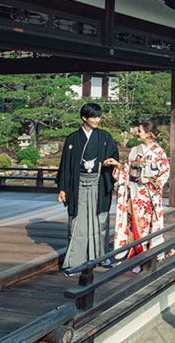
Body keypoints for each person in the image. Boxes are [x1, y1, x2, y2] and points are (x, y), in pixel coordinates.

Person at [56, 103, 120, 273]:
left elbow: (114, 155)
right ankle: (75, 261)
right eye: (94, 117)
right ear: (84, 118)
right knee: (77, 222)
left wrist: (111, 162)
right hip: (77, 185)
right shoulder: (72, 139)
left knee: (100, 221)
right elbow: (65, 166)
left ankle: (101, 257)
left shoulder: (105, 137)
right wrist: (63, 189)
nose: (98, 120)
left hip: (98, 183)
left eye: (99, 116)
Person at [112, 119, 171, 272]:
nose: (137, 133)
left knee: (149, 226)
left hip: (150, 196)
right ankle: (136, 258)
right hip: (135, 193)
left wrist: (149, 180)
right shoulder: (135, 150)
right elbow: (127, 168)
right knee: (135, 226)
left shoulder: (159, 152)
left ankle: (150, 256)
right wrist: (117, 165)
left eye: (140, 131)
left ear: (149, 133)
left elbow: (165, 173)